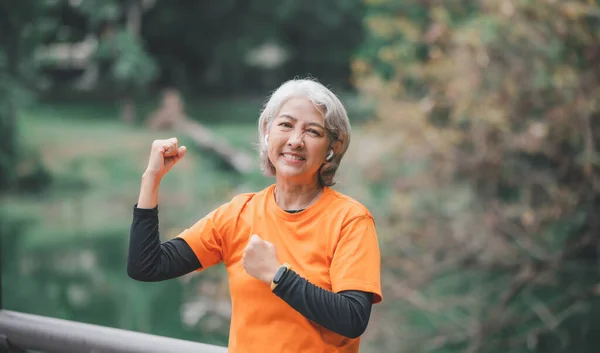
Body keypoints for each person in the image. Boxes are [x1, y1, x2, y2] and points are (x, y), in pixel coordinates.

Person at [128, 78, 383, 353]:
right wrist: (151, 179)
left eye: (313, 132)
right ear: (266, 132)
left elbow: (352, 318)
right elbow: (147, 266)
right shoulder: (238, 215)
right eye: (285, 125)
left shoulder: (350, 220)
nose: (295, 141)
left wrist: (277, 276)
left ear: (332, 147)